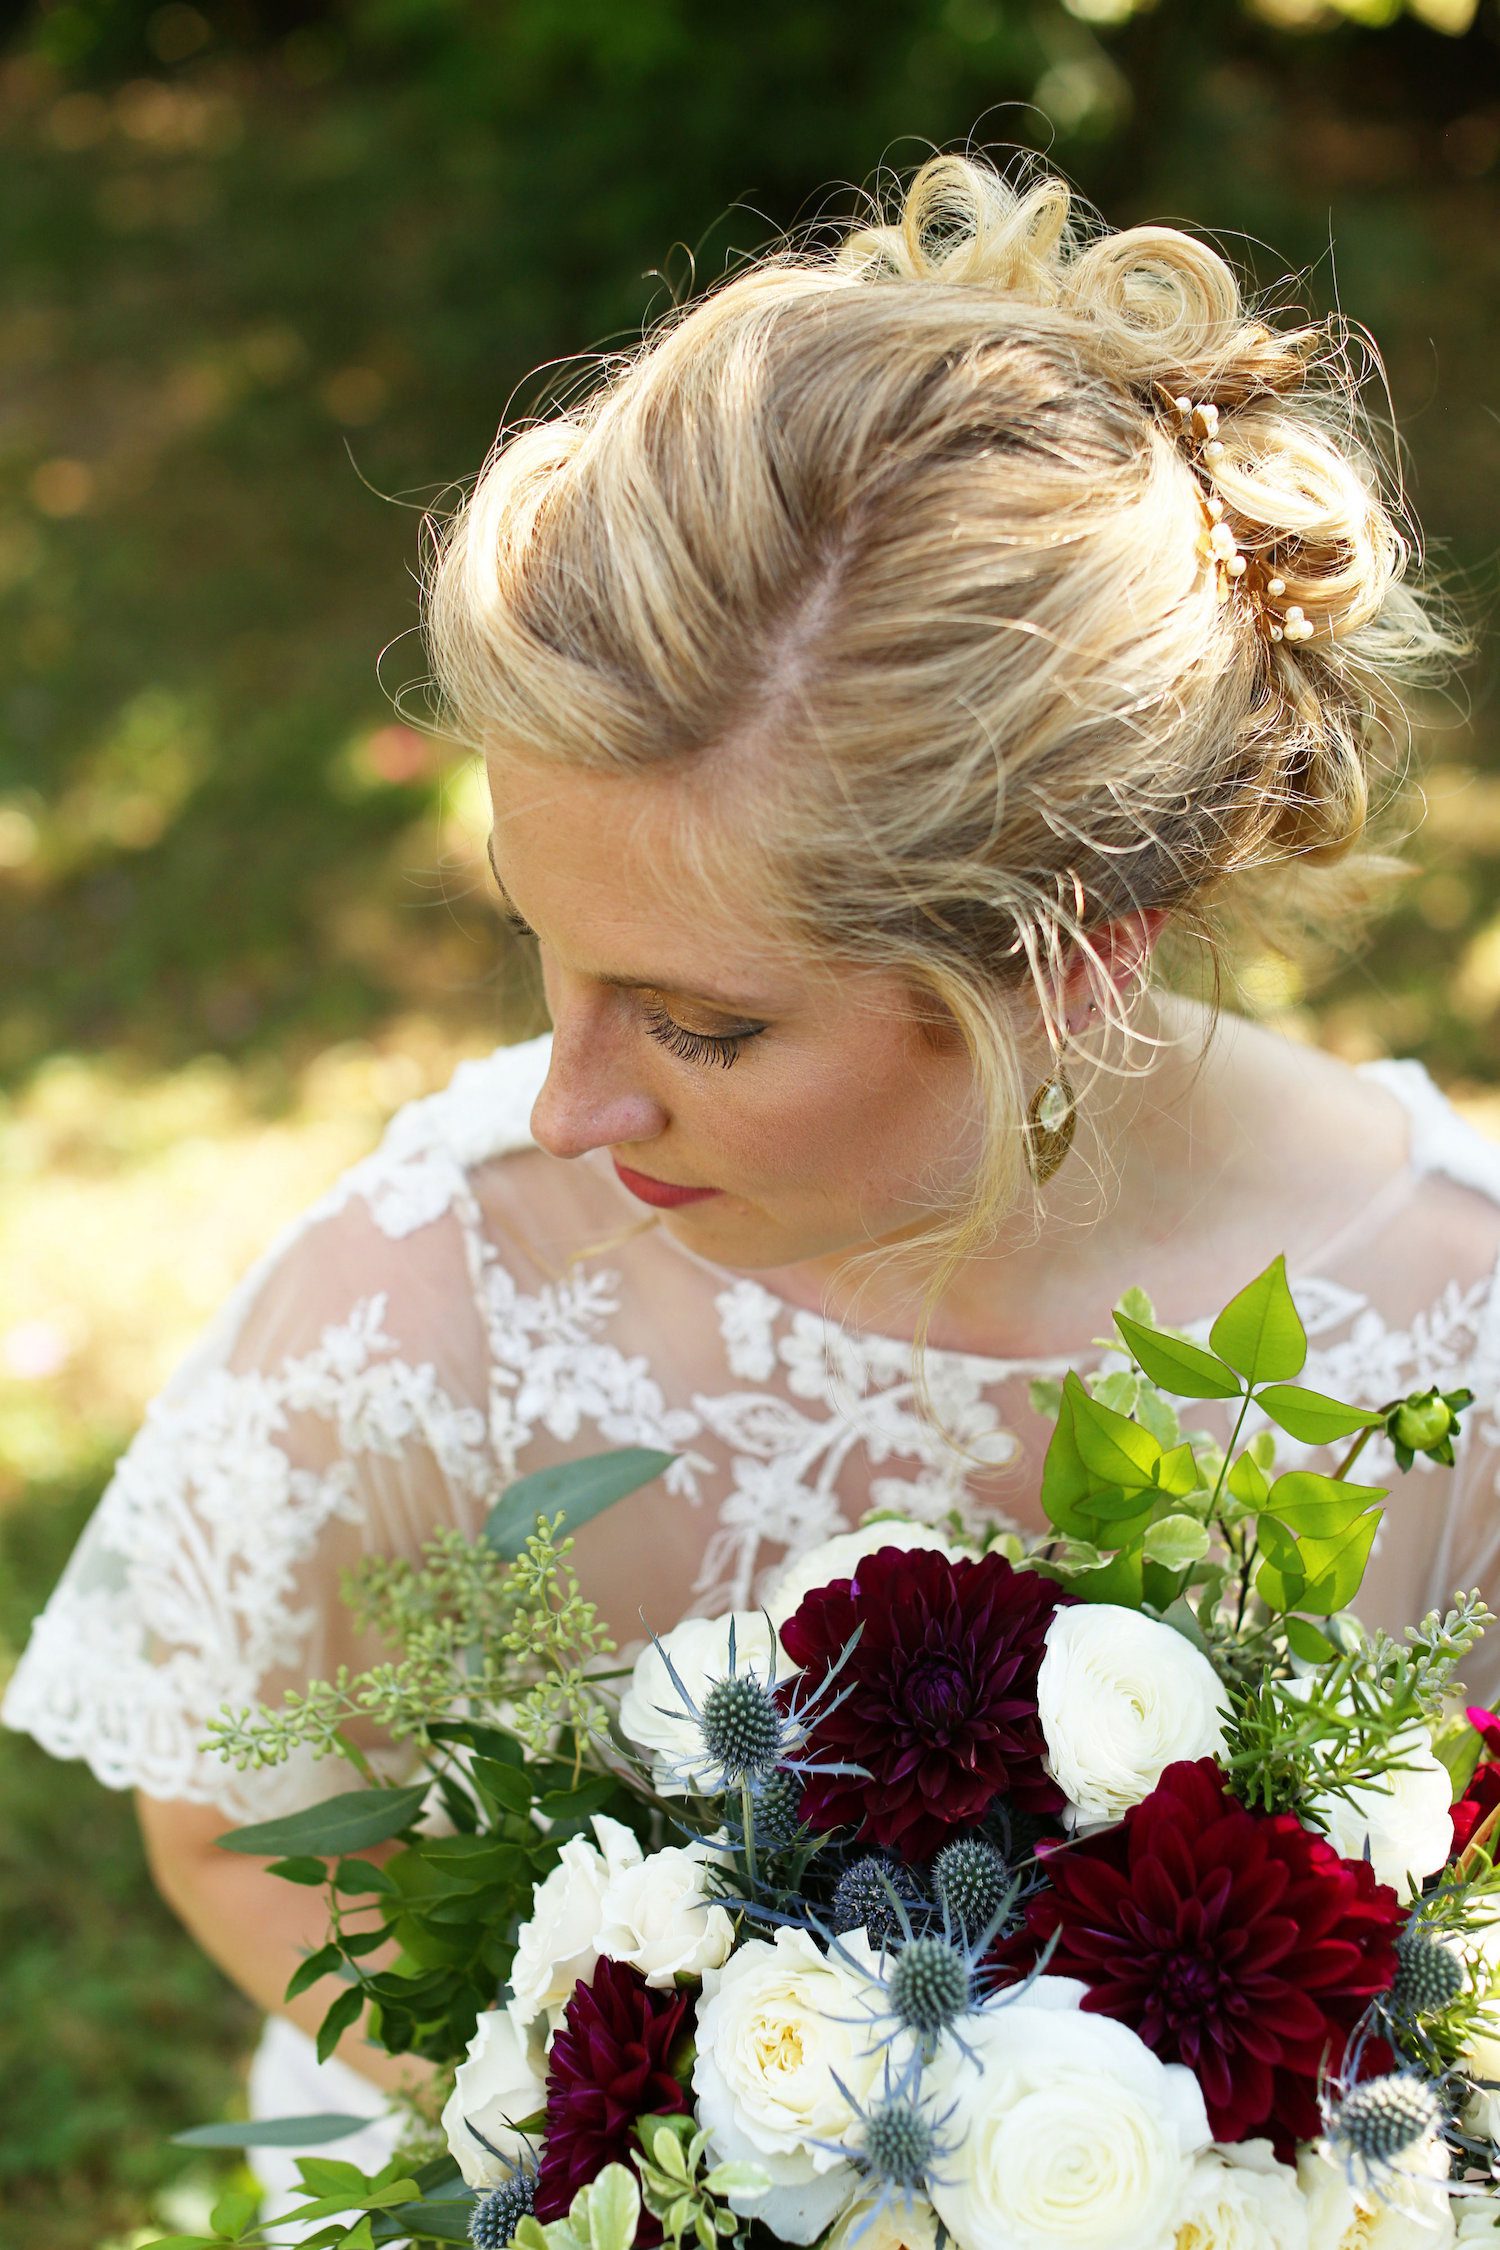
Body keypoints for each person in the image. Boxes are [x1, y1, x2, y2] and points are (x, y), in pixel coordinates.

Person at [5, 148, 1498, 2225]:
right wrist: (641, 2166)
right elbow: (241, 1823)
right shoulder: (447, 1292)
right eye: (541, 943)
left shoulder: (1455, 1345)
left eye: (700, 1029)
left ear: (1076, 971)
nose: (566, 1106)